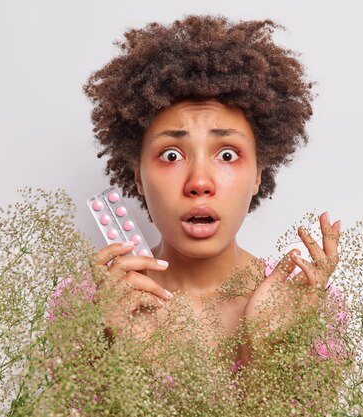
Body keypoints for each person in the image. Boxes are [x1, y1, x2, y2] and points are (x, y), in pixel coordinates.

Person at [63, 15, 342, 367]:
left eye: (227, 154)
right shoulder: (84, 305)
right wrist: (116, 349)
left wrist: (264, 350)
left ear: (258, 174)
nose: (199, 182)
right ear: (137, 177)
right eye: (171, 155)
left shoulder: (306, 301)